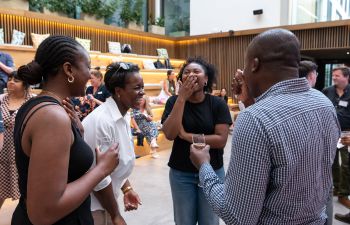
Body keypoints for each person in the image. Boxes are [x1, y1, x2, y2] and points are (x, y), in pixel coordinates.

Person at [190, 28, 340, 224]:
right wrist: (252, 101)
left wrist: (204, 166)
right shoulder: (324, 103)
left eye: (244, 66)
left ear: (254, 64)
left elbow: (238, 217)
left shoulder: (254, 120)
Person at [11, 35, 119, 225]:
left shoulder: (38, 106)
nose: (89, 74)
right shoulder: (53, 116)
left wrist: (77, 135)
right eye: (87, 66)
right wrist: (102, 169)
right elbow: (43, 213)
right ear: (68, 69)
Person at [161, 57, 232, 225]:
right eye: (187, 72)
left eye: (196, 71)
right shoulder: (173, 102)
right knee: (184, 221)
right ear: (181, 79)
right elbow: (170, 133)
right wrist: (181, 98)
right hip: (181, 173)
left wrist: (187, 136)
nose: (191, 74)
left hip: (212, 170)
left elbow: (221, 139)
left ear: (206, 79)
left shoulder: (217, 104)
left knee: (210, 221)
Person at [82, 62, 142, 225]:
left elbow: (114, 164)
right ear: (118, 91)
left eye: (142, 87)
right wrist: (116, 214)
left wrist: (126, 188)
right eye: (137, 88)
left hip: (108, 202)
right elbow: (99, 177)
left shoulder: (124, 116)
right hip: (94, 207)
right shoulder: (103, 121)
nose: (142, 92)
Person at [0, 71, 32, 211]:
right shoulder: (1, 99)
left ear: (25, 84)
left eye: (16, 80)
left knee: (25, 191)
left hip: (21, 150)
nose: (11, 82)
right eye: (10, 79)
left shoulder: (32, 101)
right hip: (1, 149)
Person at [323, 67, 350, 208]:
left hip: (347, 133)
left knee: (346, 163)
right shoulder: (328, 91)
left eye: (337, 75)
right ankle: (336, 187)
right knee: (331, 161)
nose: (334, 77)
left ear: (346, 77)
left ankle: (343, 194)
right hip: (331, 131)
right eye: (333, 75)